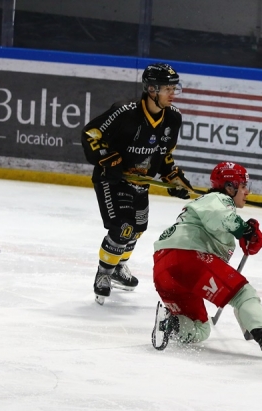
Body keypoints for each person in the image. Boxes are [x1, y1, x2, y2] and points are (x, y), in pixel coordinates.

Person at [151, 161, 262, 360]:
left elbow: (217, 234)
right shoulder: (218, 200)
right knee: (243, 293)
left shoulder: (208, 204)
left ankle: (172, 323)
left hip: (164, 270)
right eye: (243, 186)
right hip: (187, 259)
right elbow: (219, 217)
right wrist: (245, 230)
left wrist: (245, 237)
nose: (247, 192)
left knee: (200, 329)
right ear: (230, 187)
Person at [81, 63, 192, 305]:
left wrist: (173, 178)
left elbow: (163, 156)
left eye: (175, 88)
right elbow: (91, 134)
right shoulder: (125, 112)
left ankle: (119, 266)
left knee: (138, 229)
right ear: (152, 89)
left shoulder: (173, 118)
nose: (173, 93)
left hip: (140, 183)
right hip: (112, 179)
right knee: (123, 228)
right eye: (168, 88)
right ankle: (104, 273)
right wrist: (107, 160)